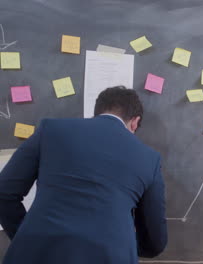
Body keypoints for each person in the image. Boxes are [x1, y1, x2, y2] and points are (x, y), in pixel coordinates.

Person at [0, 86, 167, 264]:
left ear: (97, 112)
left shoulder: (51, 129)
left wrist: (27, 236)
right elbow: (154, 239)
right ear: (134, 122)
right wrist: (122, 246)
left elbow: (4, 192)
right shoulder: (149, 158)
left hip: (37, 252)